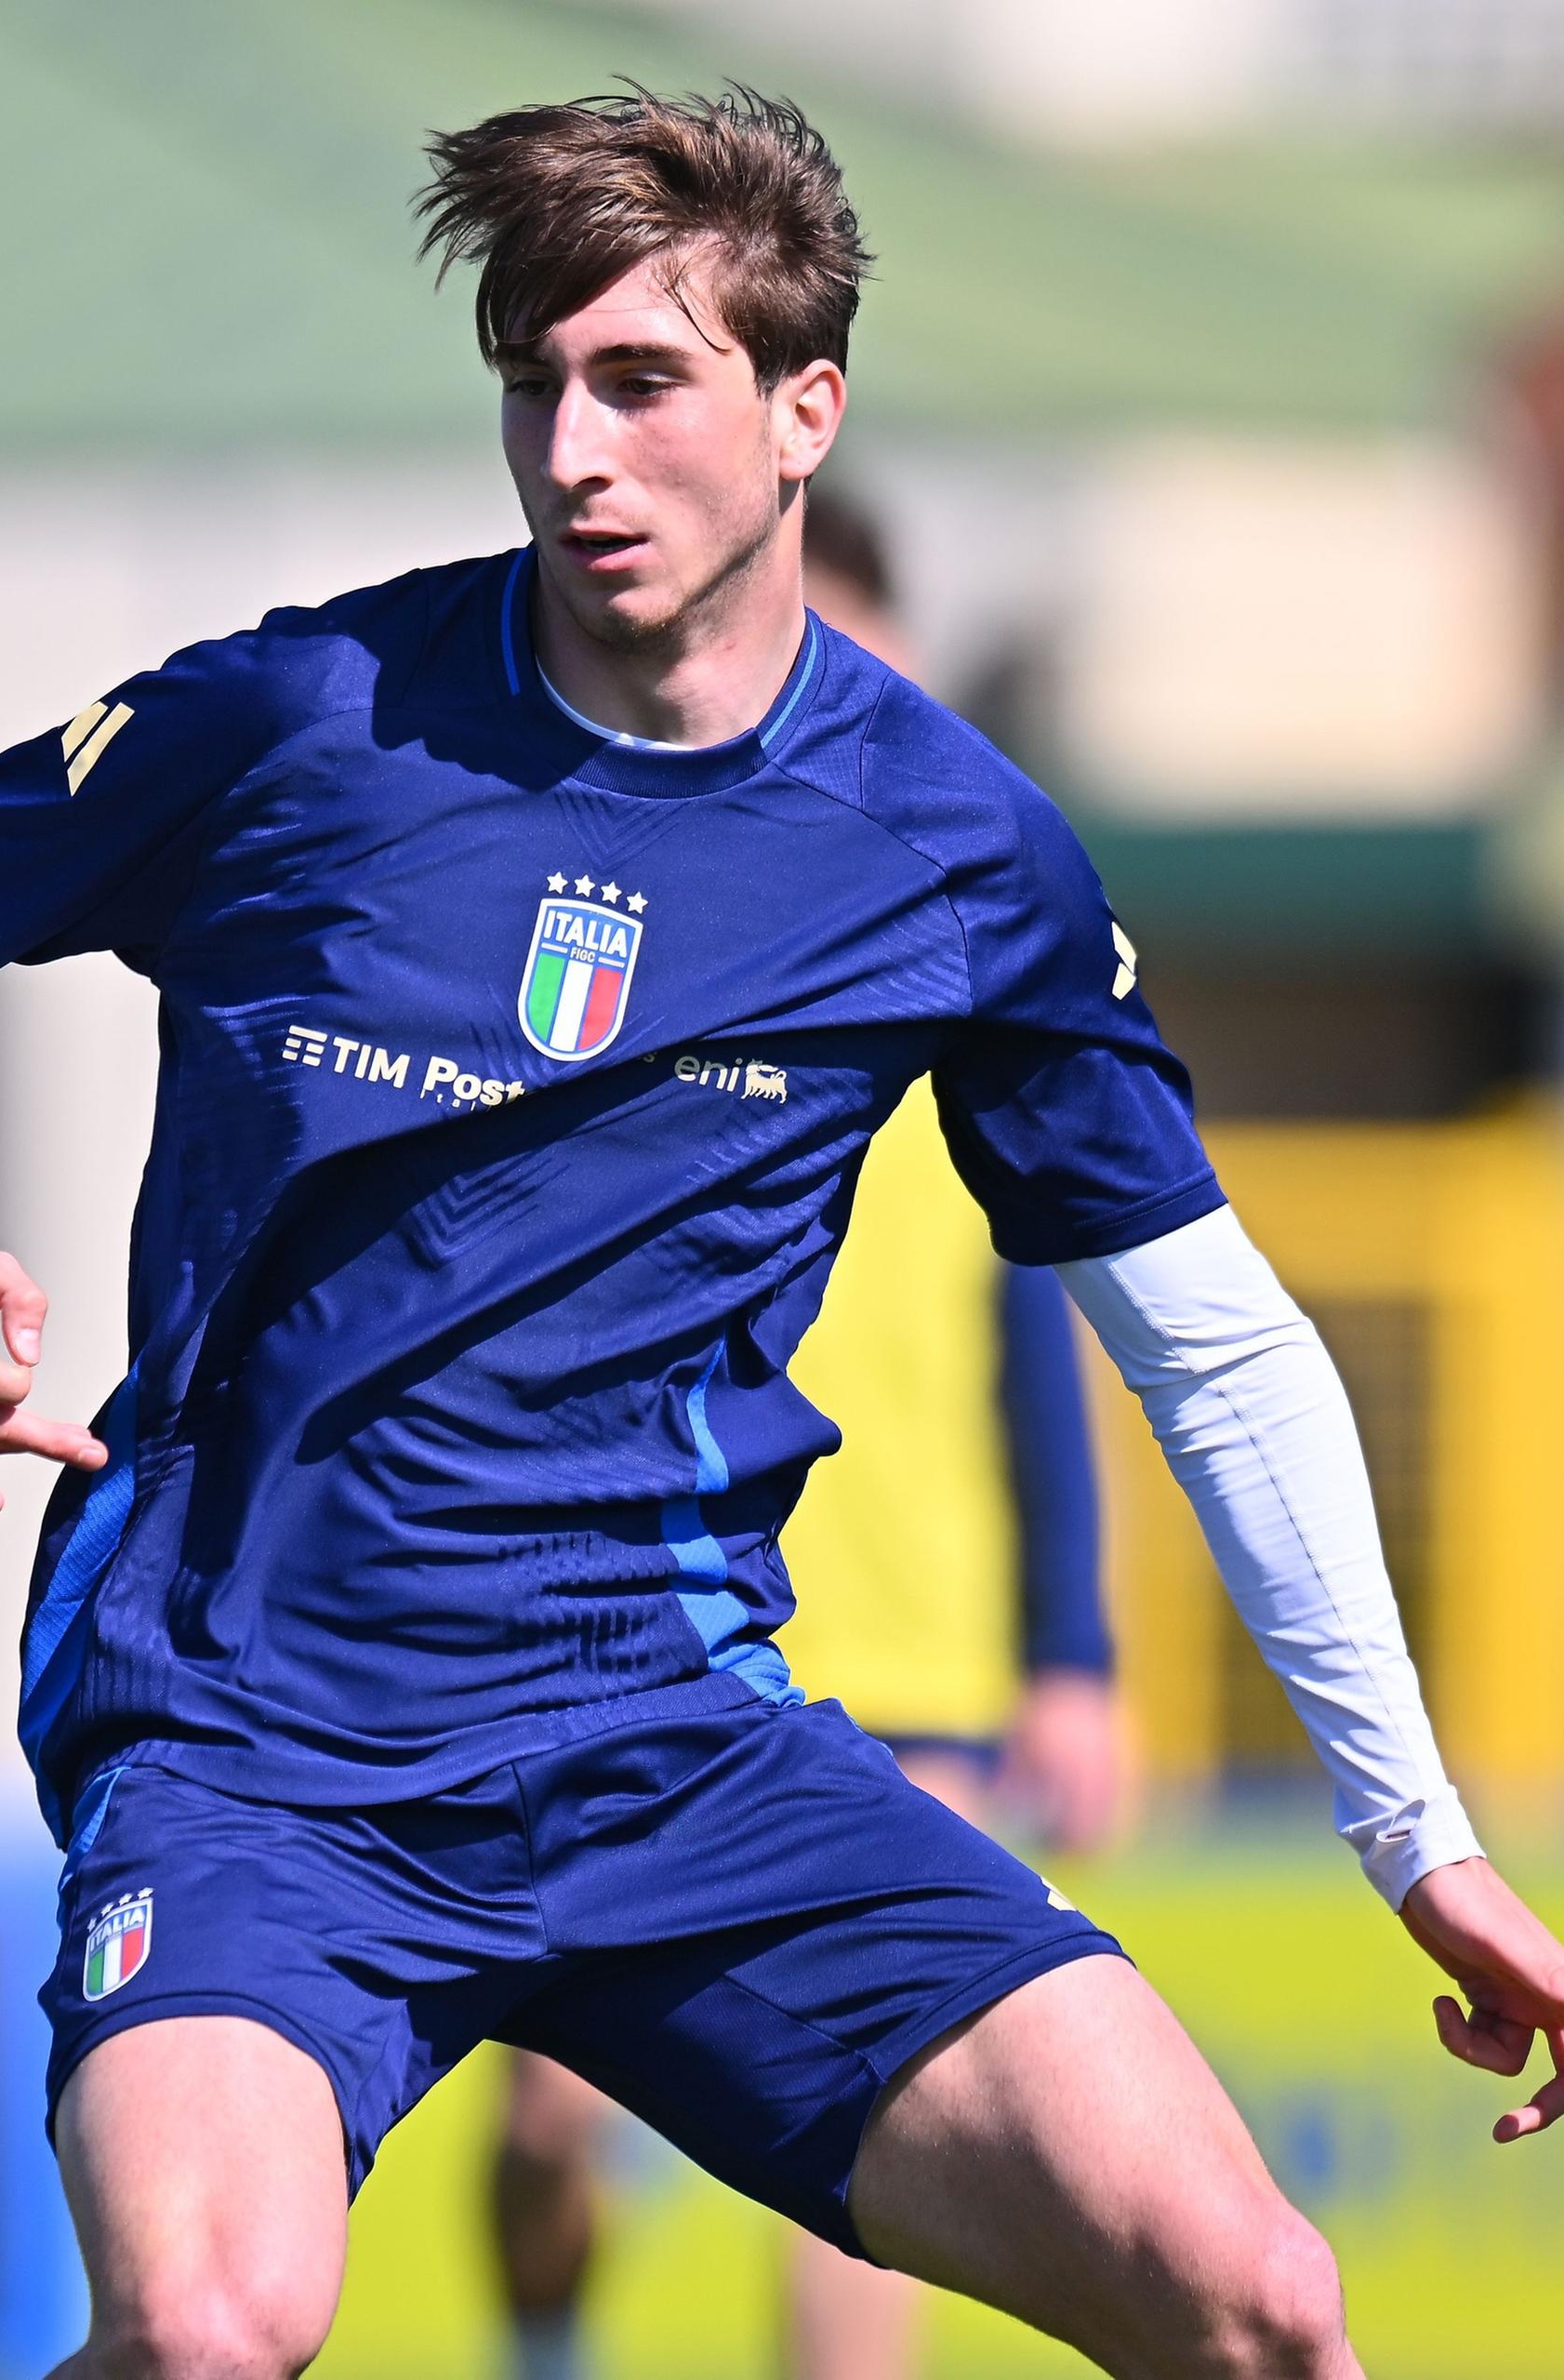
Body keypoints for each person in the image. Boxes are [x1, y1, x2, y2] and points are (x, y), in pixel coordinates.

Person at [0, 86, 1564, 2380]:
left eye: (638, 380)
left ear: (800, 414)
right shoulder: (300, 719)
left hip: (667, 1746)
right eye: (530, 380)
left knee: (1255, 2303)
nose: (571, 449)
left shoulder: (955, 849)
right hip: (257, 1739)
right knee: (211, 2325)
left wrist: (1412, 1833)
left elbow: (1211, 1348)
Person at [486, 492, 1129, 2380]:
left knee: (883, 2129)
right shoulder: (596, 958)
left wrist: (1074, 1655)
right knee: (545, 2131)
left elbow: (1038, 1325)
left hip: (909, 1651)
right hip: (621, 1639)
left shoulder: (955, 975)